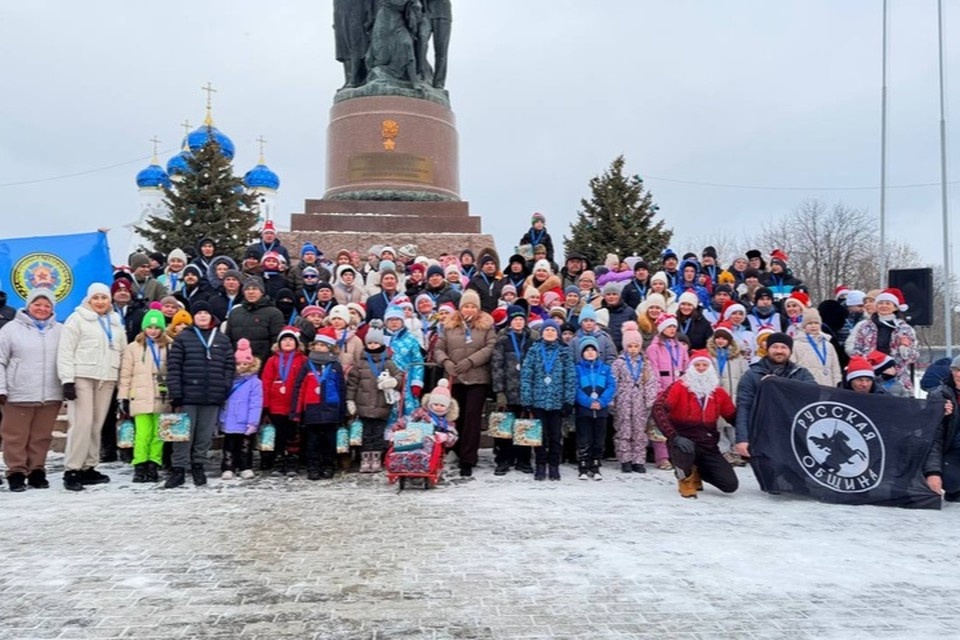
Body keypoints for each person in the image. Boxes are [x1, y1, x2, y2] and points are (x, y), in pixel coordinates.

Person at [58, 283, 127, 491]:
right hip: (83, 376)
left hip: (106, 378)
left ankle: (89, 466)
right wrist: (67, 380)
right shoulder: (77, 319)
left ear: (109, 301)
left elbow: (122, 353)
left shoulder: (115, 323)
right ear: (89, 300)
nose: (100, 302)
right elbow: (65, 351)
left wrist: (121, 383)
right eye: (95, 298)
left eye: (104, 298)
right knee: (82, 422)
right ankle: (72, 469)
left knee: (97, 424)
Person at [166, 301, 236, 488]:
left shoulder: (221, 339)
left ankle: (198, 466)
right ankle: (179, 469)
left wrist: (225, 386)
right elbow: (173, 367)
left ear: (211, 316)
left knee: (204, 436)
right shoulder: (183, 338)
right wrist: (176, 392)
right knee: (182, 435)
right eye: (199, 313)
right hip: (188, 395)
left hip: (212, 395)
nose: (202, 316)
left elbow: (229, 366)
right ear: (193, 317)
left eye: (206, 313)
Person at [0, 289, 63, 491]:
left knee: (41, 436)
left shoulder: (60, 330)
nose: (42, 309)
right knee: (15, 436)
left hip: (50, 394)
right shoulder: (10, 330)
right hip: (18, 393)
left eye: (47, 305)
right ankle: (16, 472)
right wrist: (1, 387)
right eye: (37, 304)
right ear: (28, 305)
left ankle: (37, 469)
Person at [653, 351, 738, 499]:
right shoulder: (679, 386)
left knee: (730, 485)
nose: (700, 368)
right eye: (697, 365)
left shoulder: (718, 393)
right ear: (690, 368)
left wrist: (748, 432)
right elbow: (658, 408)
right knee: (684, 451)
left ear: (710, 368)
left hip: (708, 445)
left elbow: (733, 416)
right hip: (683, 441)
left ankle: (698, 471)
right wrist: (674, 436)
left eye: (704, 365)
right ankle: (684, 479)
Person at [434, 290, 496, 477]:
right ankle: (457, 449)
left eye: (472, 306)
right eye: (466, 306)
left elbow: (490, 347)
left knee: (472, 417)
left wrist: (470, 361)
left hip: (477, 377)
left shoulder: (486, 325)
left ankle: (468, 458)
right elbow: (439, 348)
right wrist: (447, 363)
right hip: (455, 377)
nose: (469, 309)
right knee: (456, 416)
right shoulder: (450, 325)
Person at [733, 333, 816, 459]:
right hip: (763, 435)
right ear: (767, 349)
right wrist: (742, 438)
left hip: (794, 434)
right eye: (775, 347)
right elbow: (744, 408)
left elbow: (813, 393)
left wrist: (779, 383)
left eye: (783, 347)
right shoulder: (751, 375)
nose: (779, 351)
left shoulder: (801, 373)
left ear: (790, 351)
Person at [117, 310, 170, 483]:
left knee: (159, 433)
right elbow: (126, 375)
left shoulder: (169, 345)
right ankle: (139, 464)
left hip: (161, 396)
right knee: (142, 433)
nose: (153, 331)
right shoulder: (133, 347)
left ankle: (154, 463)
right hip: (139, 395)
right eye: (149, 327)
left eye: (157, 327)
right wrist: (123, 397)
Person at [520, 319, 576, 481]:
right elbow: (526, 376)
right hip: (538, 401)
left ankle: (554, 465)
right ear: (542, 333)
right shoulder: (534, 351)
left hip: (557, 402)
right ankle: (540, 464)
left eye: (553, 330)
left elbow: (570, 378)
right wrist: (527, 399)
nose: (550, 333)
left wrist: (568, 401)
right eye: (547, 330)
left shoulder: (564, 352)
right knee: (540, 436)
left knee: (555, 435)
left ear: (557, 333)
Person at [290, 328, 347, 481]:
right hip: (312, 408)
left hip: (331, 408)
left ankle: (328, 466)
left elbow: (341, 388)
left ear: (330, 347)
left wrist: (342, 412)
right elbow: (299, 387)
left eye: (324, 345)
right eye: (318, 345)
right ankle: (313, 467)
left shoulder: (335, 365)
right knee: (312, 442)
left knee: (329, 441)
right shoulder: (308, 364)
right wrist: (296, 411)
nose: (320, 347)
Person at [346, 321, 402, 473]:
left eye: (375, 343)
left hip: (381, 405)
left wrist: (393, 381)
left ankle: (377, 457)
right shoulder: (360, 363)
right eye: (369, 342)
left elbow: (399, 376)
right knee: (365, 433)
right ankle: (365, 457)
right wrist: (350, 400)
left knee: (378, 433)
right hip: (363, 405)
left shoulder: (388, 362)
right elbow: (352, 383)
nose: (372, 345)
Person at [491, 305, 538, 475]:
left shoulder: (532, 340)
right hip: (508, 391)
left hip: (526, 391)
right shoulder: (503, 341)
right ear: (510, 322)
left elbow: (537, 367)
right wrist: (499, 392)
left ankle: (523, 460)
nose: (518, 322)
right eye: (515, 320)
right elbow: (497, 367)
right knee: (505, 428)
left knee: (524, 425)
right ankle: (504, 460)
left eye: (521, 319)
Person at [845, 288, 919, 394]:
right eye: (880, 303)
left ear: (895, 307)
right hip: (870, 377)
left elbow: (913, 357)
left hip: (897, 378)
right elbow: (856, 351)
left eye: (888, 303)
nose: (883, 306)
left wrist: (905, 348)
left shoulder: (905, 329)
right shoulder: (865, 326)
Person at [610, 322, 658, 474]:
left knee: (639, 431)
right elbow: (613, 381)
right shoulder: (618, 363)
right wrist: (612, 400)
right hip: (623, 401)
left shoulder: (645, 363)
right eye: (630, 346)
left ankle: (638, 459)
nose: (633, 349)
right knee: (623, 430)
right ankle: (625, 459)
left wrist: (650, 399)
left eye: (635, 346)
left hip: (640, 402)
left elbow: (651, 382)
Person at [260, 326, 308, 475]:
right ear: (279, 343)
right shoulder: (272, 360)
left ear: (297, 343)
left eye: (290, 340)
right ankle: (279, 459)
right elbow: (266, 382)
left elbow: (305, 382)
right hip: (276, 405)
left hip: (294, 404)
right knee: (278, 434)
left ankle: (292, 460)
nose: (287, 342)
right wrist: (266, 404)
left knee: (293, 433)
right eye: (284, 340)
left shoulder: (303, 360)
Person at [218, 339, 263, 480]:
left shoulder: (255, 382)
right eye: (238, 364)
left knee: (245, 446)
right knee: (229, 445)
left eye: (245, 364)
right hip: (229, 418)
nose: (241, 367)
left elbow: (256, 403)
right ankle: (228, 467)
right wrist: (220, 419)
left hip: (246, 420)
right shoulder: (228, 380)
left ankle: (245, 466)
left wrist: (253, 422)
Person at [574, 336, 616, 481]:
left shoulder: (605, 369)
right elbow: (576, 388)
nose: (590, 352)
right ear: (582, 353)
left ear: (598, 352)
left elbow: (611, 386)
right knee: (584, 438)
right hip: (584, 410)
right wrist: (587, 402)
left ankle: (596, 465)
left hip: (601, 409)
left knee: (599, 439)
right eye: (587, 350)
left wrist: (602, 401)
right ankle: (583, 466)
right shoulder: (578, 369)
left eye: (593, 350)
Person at [707, 323, 748, 466]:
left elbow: (744, 375)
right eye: (718, 338)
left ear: (729, 340)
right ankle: (723, 450)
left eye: (724, 338)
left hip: (734, 395)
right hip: (717, 396)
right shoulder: (710, 357)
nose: (720, 341)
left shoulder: (737, 358)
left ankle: (736, 450)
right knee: (719, 426)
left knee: (733, 425)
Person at [925, 355, 960, 500]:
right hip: (953, 450)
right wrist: (933, 472)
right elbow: (933, 438)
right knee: (951, 481)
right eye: (955, 369)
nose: (958, 374)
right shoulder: (940, 396)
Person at [225, 277, 284, 364]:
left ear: (262, 292)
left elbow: (276, 342)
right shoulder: (235, 312)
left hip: (263, 364)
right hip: (239, 364)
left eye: (255, 289)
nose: (251, 292)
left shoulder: (274, 313)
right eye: (247, 289)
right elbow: (228, 340)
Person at [791, 308, 842, 388]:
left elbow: (835, 367)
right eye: (810, 323)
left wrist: (837, 383)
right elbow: (793, 366)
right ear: (804, 326)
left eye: (816, 323)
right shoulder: (796, 344)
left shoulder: (828, 345)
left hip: (828, 385)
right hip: (806, 385)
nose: (813, 326)